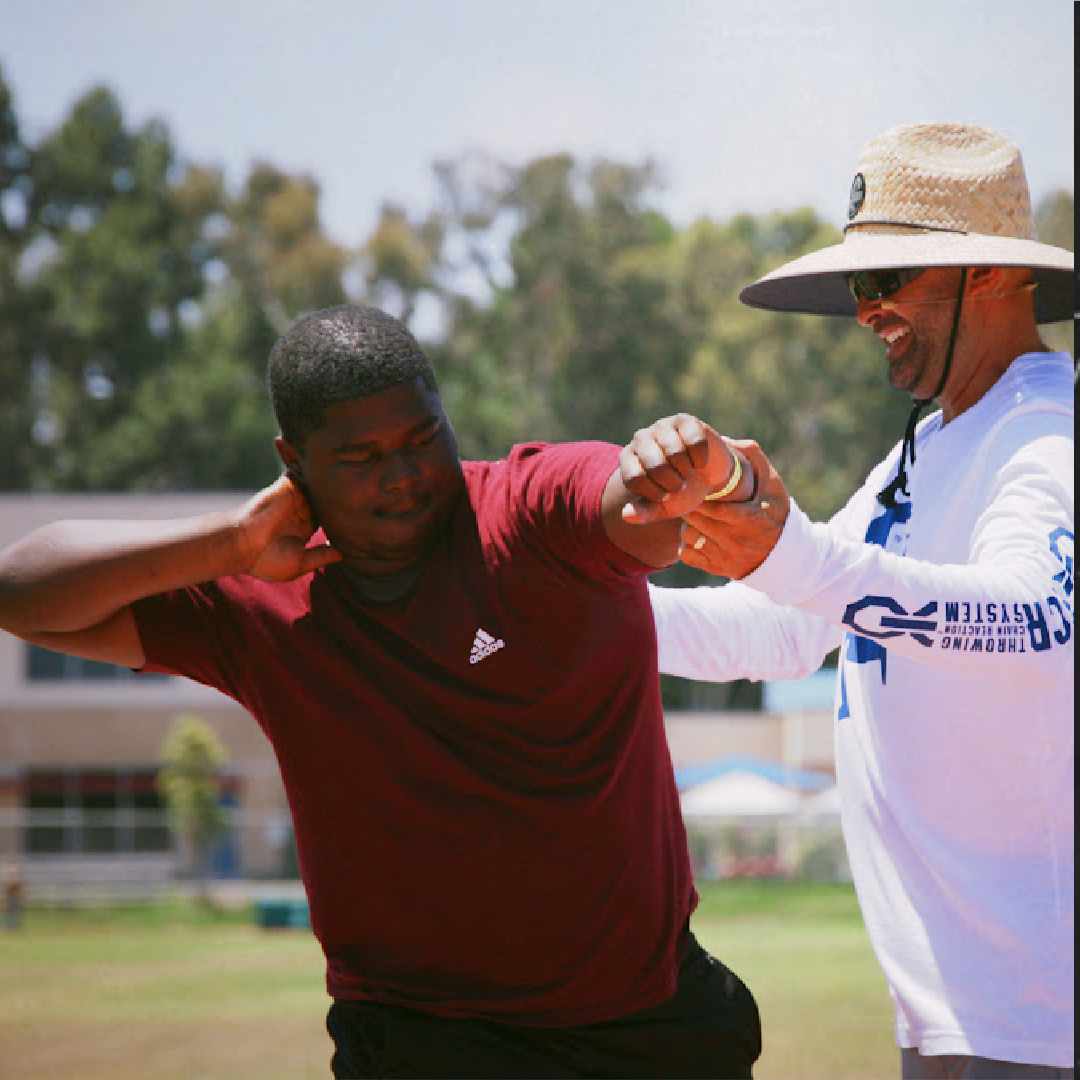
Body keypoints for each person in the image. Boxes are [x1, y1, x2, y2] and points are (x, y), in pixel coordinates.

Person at [0, 303, 762, 1078]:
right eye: (359, 457)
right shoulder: (260, 600)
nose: (402, 477)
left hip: (649, 1029)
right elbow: (20, 590)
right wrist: (231, 541)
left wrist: (662, 477)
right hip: (423, 1042)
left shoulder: (526, 514)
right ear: (293, 462)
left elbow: (624, 507)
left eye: (421, 437)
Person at [619, 123, 1074, 1079]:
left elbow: (1037, 620)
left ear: (989, 275)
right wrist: (574, 610)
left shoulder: (1043, 434)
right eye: (858, 288)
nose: (864, 312)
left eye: (885, 281)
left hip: (1040, 1013)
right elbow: (787, 629)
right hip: (956, 1012)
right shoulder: (933, 443)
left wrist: (800, 556)